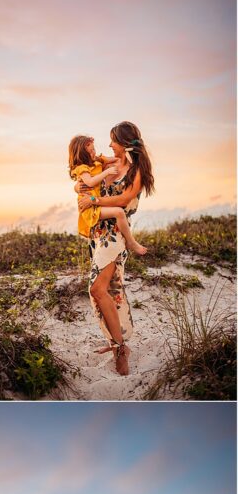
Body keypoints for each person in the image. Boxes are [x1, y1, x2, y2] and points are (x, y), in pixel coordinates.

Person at [76, 122, 156, 377]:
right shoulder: (109, 164)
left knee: (97, 288)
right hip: (98, 234)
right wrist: (80, 188)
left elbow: (123, 201)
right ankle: (117, 342)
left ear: (124, 143)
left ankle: (120, 349)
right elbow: (86, 181)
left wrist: (93, 200)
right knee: (109, 289)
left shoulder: (136, 171)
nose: (109, 145)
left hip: (115, 235)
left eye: (113, 141)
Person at [68, 135, 147, 255]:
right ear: (82, 155)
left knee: (119, 213)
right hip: (92, 211)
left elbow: (112, 159)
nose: (94, 152)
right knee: (98, 266)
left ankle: (131, 242)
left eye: (94, 149)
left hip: (112, 227)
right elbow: (89, 182)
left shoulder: (98, 162)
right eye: (91, 151)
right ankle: (131, 242)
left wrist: (131, 151)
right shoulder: (84, 168)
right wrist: (77, 188)